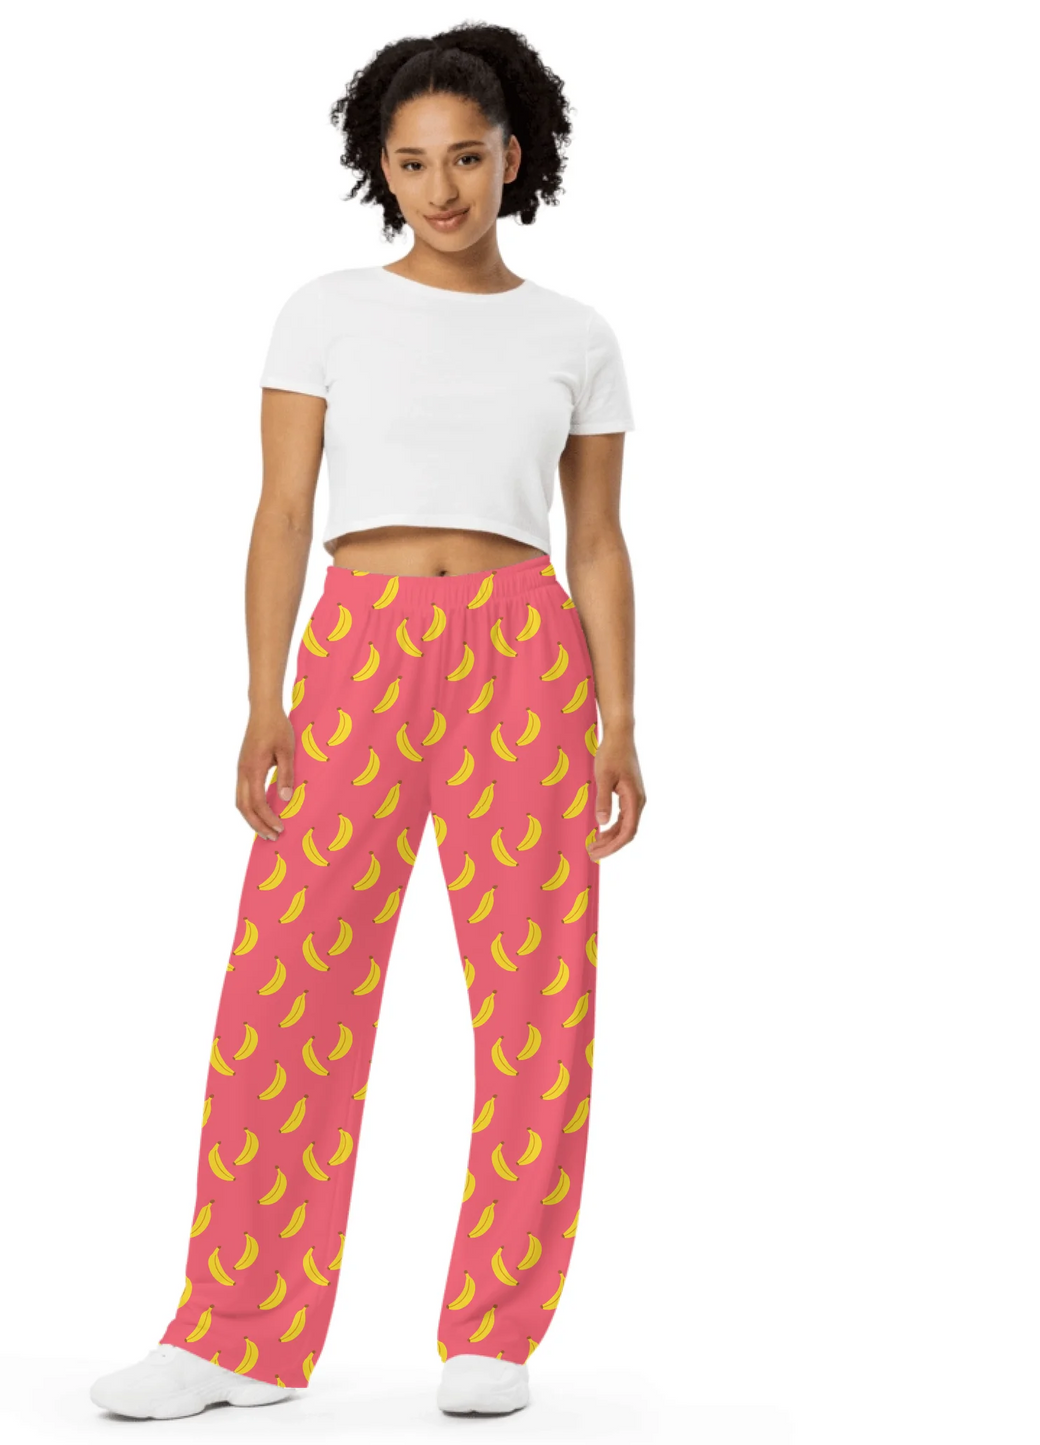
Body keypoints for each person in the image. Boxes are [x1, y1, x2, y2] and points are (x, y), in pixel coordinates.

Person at [91, 21, 644, 1420]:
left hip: (525, 659)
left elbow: (596, 541)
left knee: (538, 998)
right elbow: (282, 512)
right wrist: (262, 695)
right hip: (358, 653)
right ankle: (234, 1329)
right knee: (287, 986)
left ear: (514, 156)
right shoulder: (326, 310)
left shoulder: (575, 336)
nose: (440, 188)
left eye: (466, 157)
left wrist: (619, 719)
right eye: (411, 163)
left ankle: (494, 1328)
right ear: (378, 168)